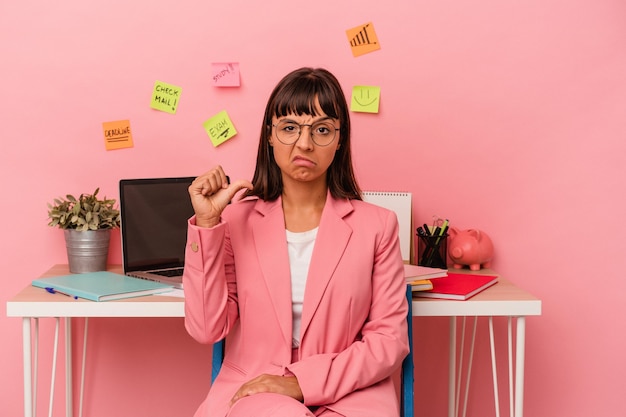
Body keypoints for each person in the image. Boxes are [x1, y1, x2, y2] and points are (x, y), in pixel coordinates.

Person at [183, 67, 409, 417]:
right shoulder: (235, 221)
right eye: (289, 128)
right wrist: (209, 224)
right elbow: (206, 328)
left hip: (351, 394)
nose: (304, 143)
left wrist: (303, 382)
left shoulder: (378, 226)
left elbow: (388, 340)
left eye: (321, 130)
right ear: (270, 136)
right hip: (255, 391)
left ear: (339, 140)